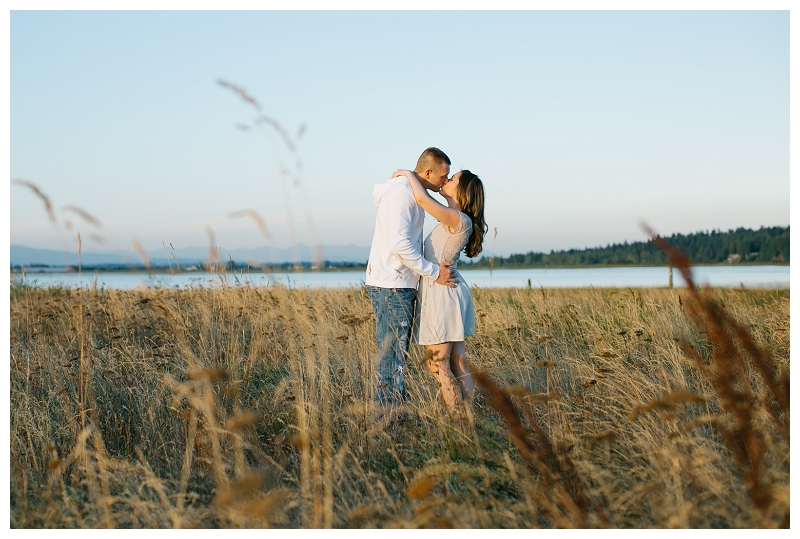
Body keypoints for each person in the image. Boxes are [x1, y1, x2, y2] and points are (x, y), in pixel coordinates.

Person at [365, 148, 456, 419]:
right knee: (392, 358)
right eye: (443, 175)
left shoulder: (409, 191)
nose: (445, 180)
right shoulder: (403, 195)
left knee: (394, 356)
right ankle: (388, 421)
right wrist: (433, 272)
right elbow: (400, 244)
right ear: (428, 172)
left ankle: (393, 417)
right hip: (393, 284)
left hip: (395, 282)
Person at [390, 167, 487, 422]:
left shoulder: (458, 218)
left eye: (452, 178)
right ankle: (469, 420)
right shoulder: (455, 219)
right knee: (457, 363)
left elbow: (422, 199)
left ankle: (459, 423)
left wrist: (408, 174)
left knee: (438, 364)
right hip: (446, 290)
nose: (446, 179)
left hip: (442, 293)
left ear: (463, 190)